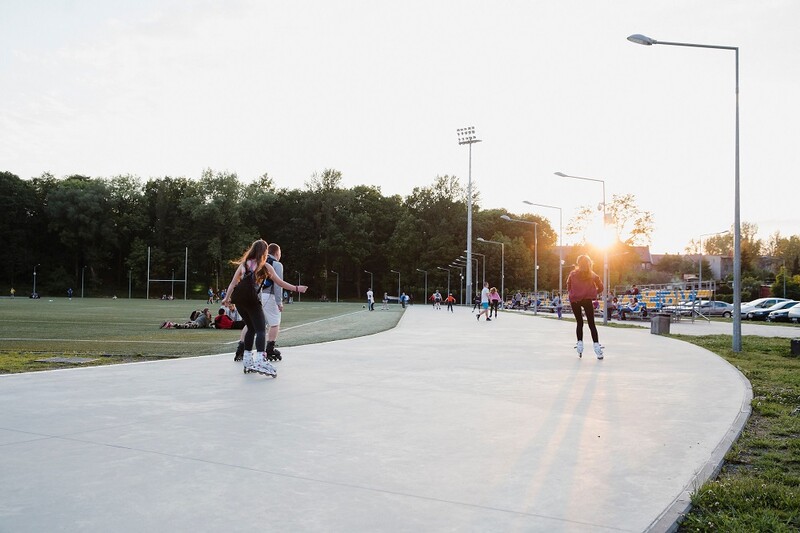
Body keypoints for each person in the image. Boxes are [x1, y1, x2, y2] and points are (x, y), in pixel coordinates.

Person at [222, 239, 307, 376]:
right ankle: (261, 360)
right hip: (252, 301)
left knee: (251, 328)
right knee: (261, 329)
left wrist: (226, 299)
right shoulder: (266, 266)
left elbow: (233, 284)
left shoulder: (244, 265)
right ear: (265, 252)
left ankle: (248, 360)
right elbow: (280, 282)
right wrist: (297, 288)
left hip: (240, 301)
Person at [566, 255, 604, 359]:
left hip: (575, 300)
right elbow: (601, 287)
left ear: (578, 263)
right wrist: (594, 292)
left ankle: (579, 344)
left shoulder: (572, 274)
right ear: (589, 263)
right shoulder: (592, 274)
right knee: (591, 324)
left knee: (579, 322)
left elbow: (568, 285)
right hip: (587, 300)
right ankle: (597, 347)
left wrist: (572, 293)